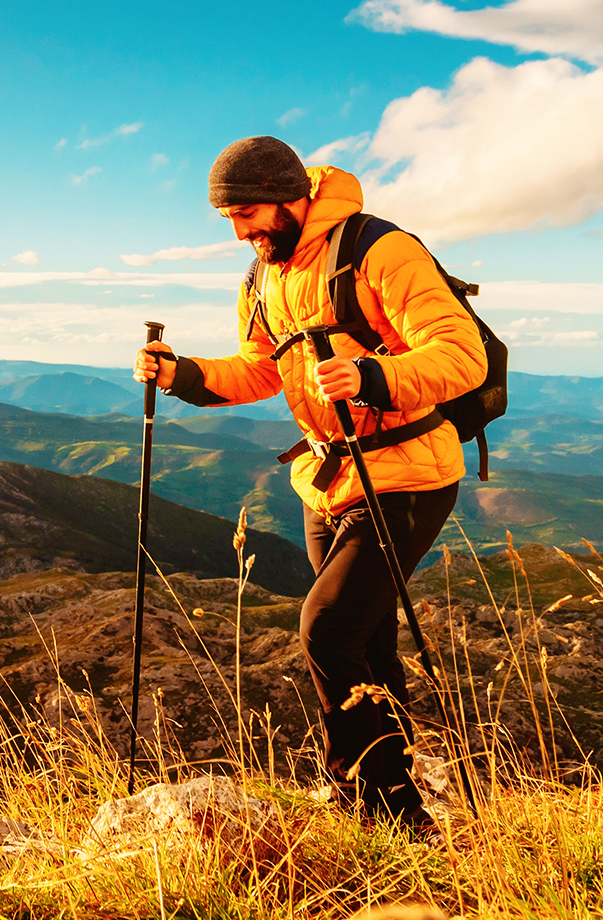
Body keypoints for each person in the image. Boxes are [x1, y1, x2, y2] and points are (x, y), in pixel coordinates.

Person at [134, 136, 486, 828]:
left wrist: (372, 376)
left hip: (408, 472)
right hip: (327, 477)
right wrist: (183, 374)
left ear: (293, 197)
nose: (241, 232)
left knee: (325, 627)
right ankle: (391, 796)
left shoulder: (377, 251)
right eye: (229, 221)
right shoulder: (264, 275)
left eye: (249, 214)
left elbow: (460, 355)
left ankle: (365, 797)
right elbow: (259, 368)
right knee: (365, 638)